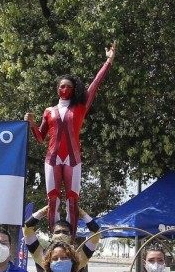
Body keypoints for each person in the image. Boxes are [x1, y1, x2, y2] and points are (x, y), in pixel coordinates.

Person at [26, 42, 116, 228]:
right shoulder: (49, 111)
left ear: (74, 89)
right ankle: (54, 239)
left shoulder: (80, 107)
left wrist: (108, 61)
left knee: (73, 201)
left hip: (73, 159)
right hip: (52, 158)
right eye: (61, 86)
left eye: (68, 86)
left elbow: (95, 84)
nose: (64, 89)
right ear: (57, 89)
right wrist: (32, 123)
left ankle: (71, 240)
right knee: (52, 200)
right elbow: (41, 138)